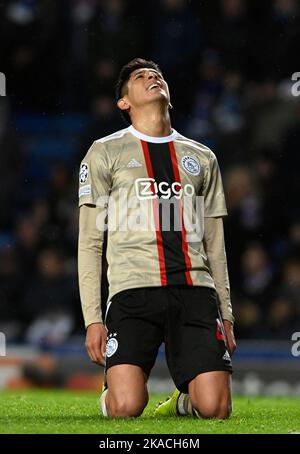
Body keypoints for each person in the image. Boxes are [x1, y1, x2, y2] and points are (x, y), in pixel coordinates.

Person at [78, 58, 236, 419]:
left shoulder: (202, 157)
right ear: (123, 102)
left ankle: (181, 404)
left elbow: (215, 243)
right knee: (126, 407)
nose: (152, 77)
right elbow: (90, 241)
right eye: (140, 76)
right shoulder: (105, 151)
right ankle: (115, 389)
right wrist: (92, 319)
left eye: (158, 74)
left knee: (215, 408)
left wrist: (226, 314)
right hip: (133, 289)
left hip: (195, 290)